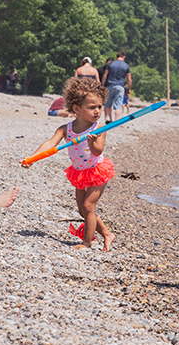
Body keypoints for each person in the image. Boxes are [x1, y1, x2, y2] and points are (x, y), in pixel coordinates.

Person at [23, 77, 117, 251]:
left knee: (89, 206)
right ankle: (107, 234)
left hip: (97, 171)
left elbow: (97, 151)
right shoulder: (65, 129)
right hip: (80, 172)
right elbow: (50, 144)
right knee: (83, 210)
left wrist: (91, 142)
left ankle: (87, 242)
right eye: (92, 107)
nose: (97, 111)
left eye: (99, 106)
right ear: (76, 109)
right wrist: (33, 157)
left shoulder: (99, 128)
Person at [100, 52, 131, 123]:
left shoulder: (110, 64)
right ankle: (116, 120)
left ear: (117, 56)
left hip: (110, 85)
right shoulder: (126, 66)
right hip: (120, 86)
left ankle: (110, 119)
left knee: (108, 104)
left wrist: (102, 85)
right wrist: (129, 89)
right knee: (118, 104)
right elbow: (129, 78)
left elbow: (105, 75)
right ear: (123, 57)